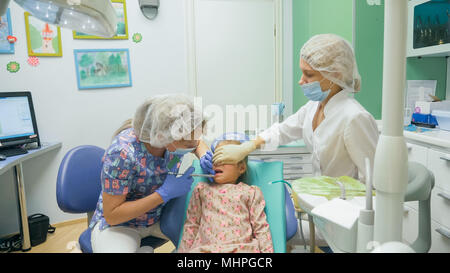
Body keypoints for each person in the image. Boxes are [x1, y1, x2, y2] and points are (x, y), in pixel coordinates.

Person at [212, 34, 379, 184]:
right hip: (320, 206)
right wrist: (247, 146)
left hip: (346, 212)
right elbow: (281, 131)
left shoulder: (355, 118)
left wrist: (334, 196)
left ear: (335, 75)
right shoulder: (313, 107)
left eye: (309, 74)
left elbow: (374, 181)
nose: (301, 81)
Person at [89, 94, 213, 253]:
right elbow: (113, 215)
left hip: (159, 217)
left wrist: (204, 154)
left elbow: (195, 141)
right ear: (163, 136)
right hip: (120, 225)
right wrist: (163, 194)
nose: (193, 145)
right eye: (189, 143)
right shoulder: (122, 153)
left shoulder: (171, 140)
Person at [178, 138, 274, 253]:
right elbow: (191, 225)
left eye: (225, 158)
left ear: (241, 167)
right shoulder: (201, 190)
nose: (218, 162)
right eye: (216, 157)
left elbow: (261, 228)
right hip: (207, 250)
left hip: (242, 249)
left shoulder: (250, 192)